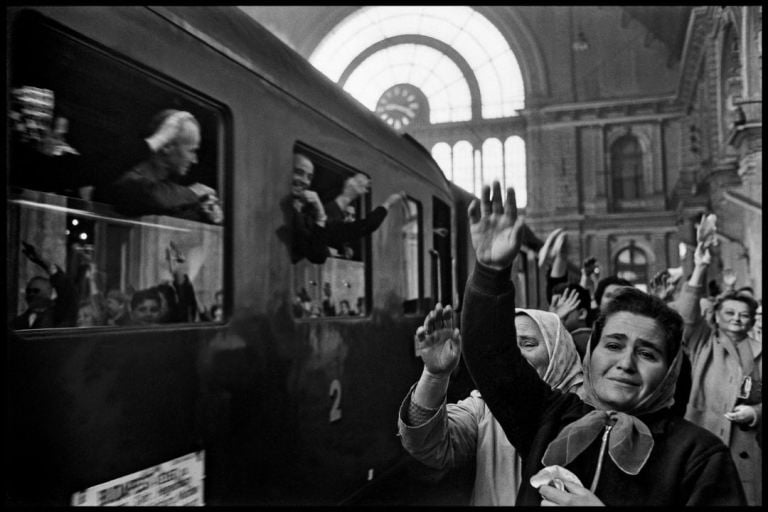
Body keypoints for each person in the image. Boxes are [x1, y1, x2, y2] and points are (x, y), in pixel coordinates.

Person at [457, 181, 745, 506]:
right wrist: (490, 273)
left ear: (670, 372)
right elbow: (490, 355)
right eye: (613, 345)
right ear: (590, 353)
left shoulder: (698, 456)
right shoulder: (549, 418)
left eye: (647, 353)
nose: (625, 363)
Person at [398, 303, 583, 505]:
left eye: (528, 344)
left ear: (558, 355)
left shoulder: (586, 410)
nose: (515, 357)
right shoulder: (485, 406)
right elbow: (428, 444)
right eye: (508, 348)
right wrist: (435, 375)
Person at [674, 241, 761, 505]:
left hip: (749, 449)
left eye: (744, 315)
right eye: (730, 313)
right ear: (716, 316)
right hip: (704, 438)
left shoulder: (759, 351)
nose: (737, 319)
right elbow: (687, 315)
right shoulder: (703, 342)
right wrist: (700, 267)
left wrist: (755, 413)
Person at [99, 110, 222, 224]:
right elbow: (137, 194)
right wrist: (193, 193)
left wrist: (202, 213)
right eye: (191, 151)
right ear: (167, 146)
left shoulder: (170, 193)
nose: (195, 160)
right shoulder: (129, 179)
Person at [323, 172, 406, 258]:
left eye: (352, 216)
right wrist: (388, 203)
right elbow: (368, 224)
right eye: (346, 214)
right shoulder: (328, 223)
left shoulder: (344, 240)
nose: (350, 219)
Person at [12, 242, 78, 329]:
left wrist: (44, 262)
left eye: (36, 291)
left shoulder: (60, 316)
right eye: (28, 291)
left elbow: (67, 290)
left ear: (48, 293)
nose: (31, 294)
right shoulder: (17, 323)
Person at [283, 151, 331, 264]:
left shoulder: (305, 215)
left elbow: (319, 256)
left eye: (309, 177)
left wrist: (321, 214)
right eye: (299, 172)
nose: (305, 181)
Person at [549, 283, 593, 358]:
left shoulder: (584, 340)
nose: (554, 312)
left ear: (582, 314)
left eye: (561, 307)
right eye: (553, 306)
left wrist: (556, 322)